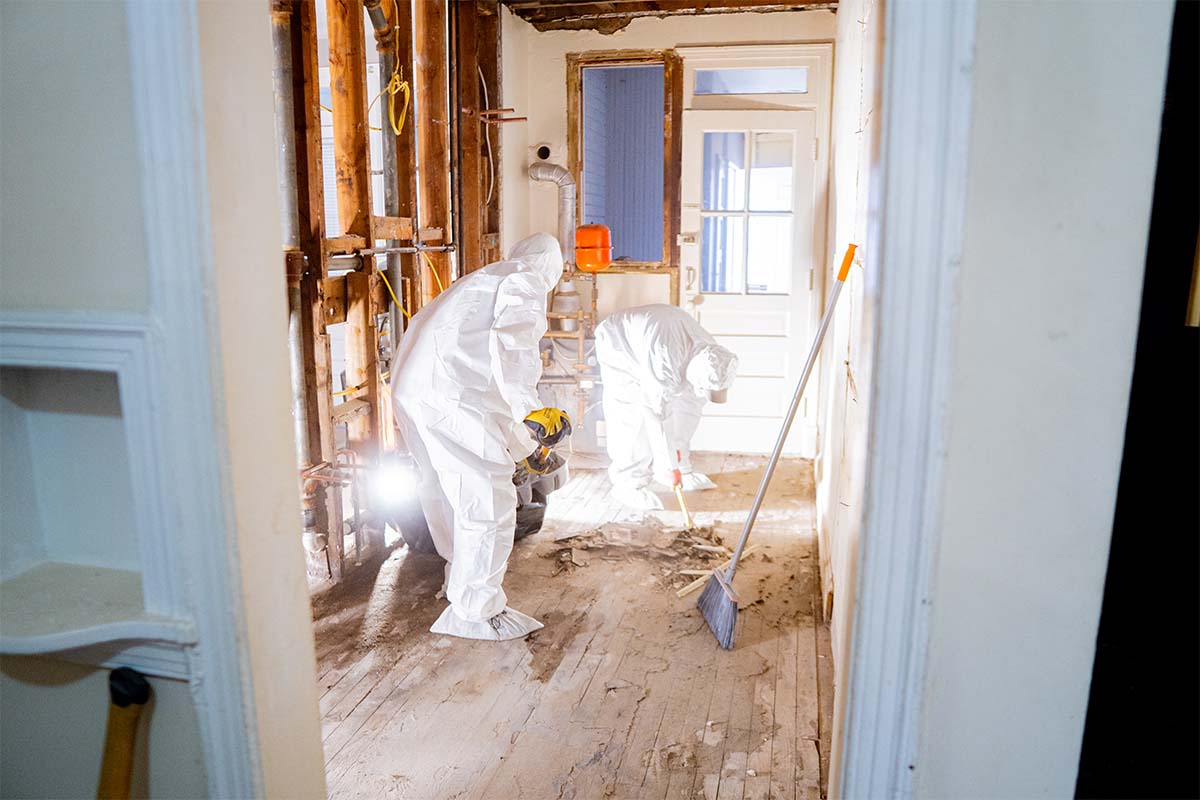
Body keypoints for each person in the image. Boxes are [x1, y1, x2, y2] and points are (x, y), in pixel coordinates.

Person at [390, 233, 568, 641]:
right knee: (487, 499)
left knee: (446, 492)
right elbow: (512, 349)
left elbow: (483, 376)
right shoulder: (525, 280)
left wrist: (522, 444)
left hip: (414, 389)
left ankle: (458, 580)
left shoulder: (480, 280)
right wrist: (531, 412)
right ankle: (476, 611)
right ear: (552, 268)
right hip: (450, 395)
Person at [594, 304, 739, 510]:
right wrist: (669, 466)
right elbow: (658, 415)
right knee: (631, 415)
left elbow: (690, 410)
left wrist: (677, 463)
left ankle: (682, 468)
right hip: (619, 343)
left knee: (687, 403)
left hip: (658, 337)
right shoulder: (665, 363)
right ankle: (628, 483)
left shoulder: (713, 356)